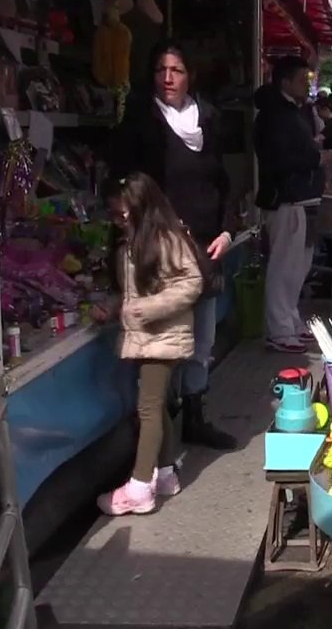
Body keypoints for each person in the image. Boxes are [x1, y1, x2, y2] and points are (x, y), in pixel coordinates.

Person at [110, 39, 239, 449]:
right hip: (159, 256)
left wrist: (226, 231)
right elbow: (124, 188)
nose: (168, 78)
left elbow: (226, 183)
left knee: (201, 342)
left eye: (177, 70)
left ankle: (195, 417)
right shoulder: (141, 123)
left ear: (190, 76)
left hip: (204, 251)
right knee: (163, 349)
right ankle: (159, 437)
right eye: (161, 70)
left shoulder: (211, 121)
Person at [95, 173, 205, 515]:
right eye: (114, 215)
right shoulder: (136, 241)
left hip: (162, 337)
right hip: (150, 335)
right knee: (155, 406)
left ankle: (140, 487)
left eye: (122, 214)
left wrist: (145, 310)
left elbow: (192, 283)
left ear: (142, 207)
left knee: (148, 408)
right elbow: (134, 291)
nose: (118, 221)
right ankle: (168, 473)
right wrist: (115, 308)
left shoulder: (166, 239)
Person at [255, 55, 332, 354]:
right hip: (287, 199)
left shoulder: (295, 112)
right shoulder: (274, 116)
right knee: (284, 267)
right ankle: (279, 328)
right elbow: (277, 159)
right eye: (302, 79)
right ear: (285, 81)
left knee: (299, 266)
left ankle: (289, 319)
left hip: (305, 197)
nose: (307, 84)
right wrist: (316, 158)